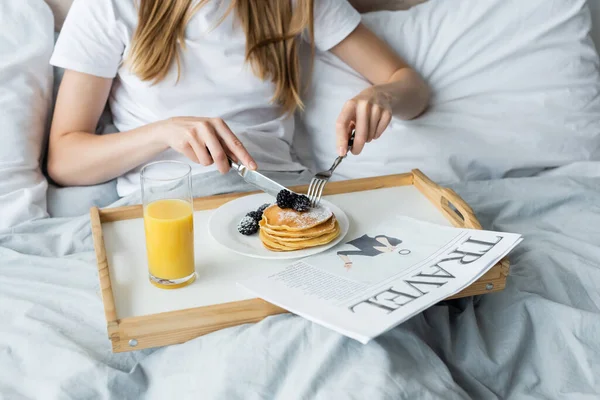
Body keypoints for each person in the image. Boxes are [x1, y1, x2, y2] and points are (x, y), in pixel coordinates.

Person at [48, 0, 430, 197]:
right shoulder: (111, 6)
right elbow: (65, 161)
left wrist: (384, 95)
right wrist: (162, 133)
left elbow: (411, 87)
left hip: (283, 195)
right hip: (176, 205)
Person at [337, 234, 405, 269]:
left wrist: (348, 262)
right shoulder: (395, 242)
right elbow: (379, 236)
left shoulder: (372, 253)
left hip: (344, 240)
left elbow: (341, 252)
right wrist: (388, 245)